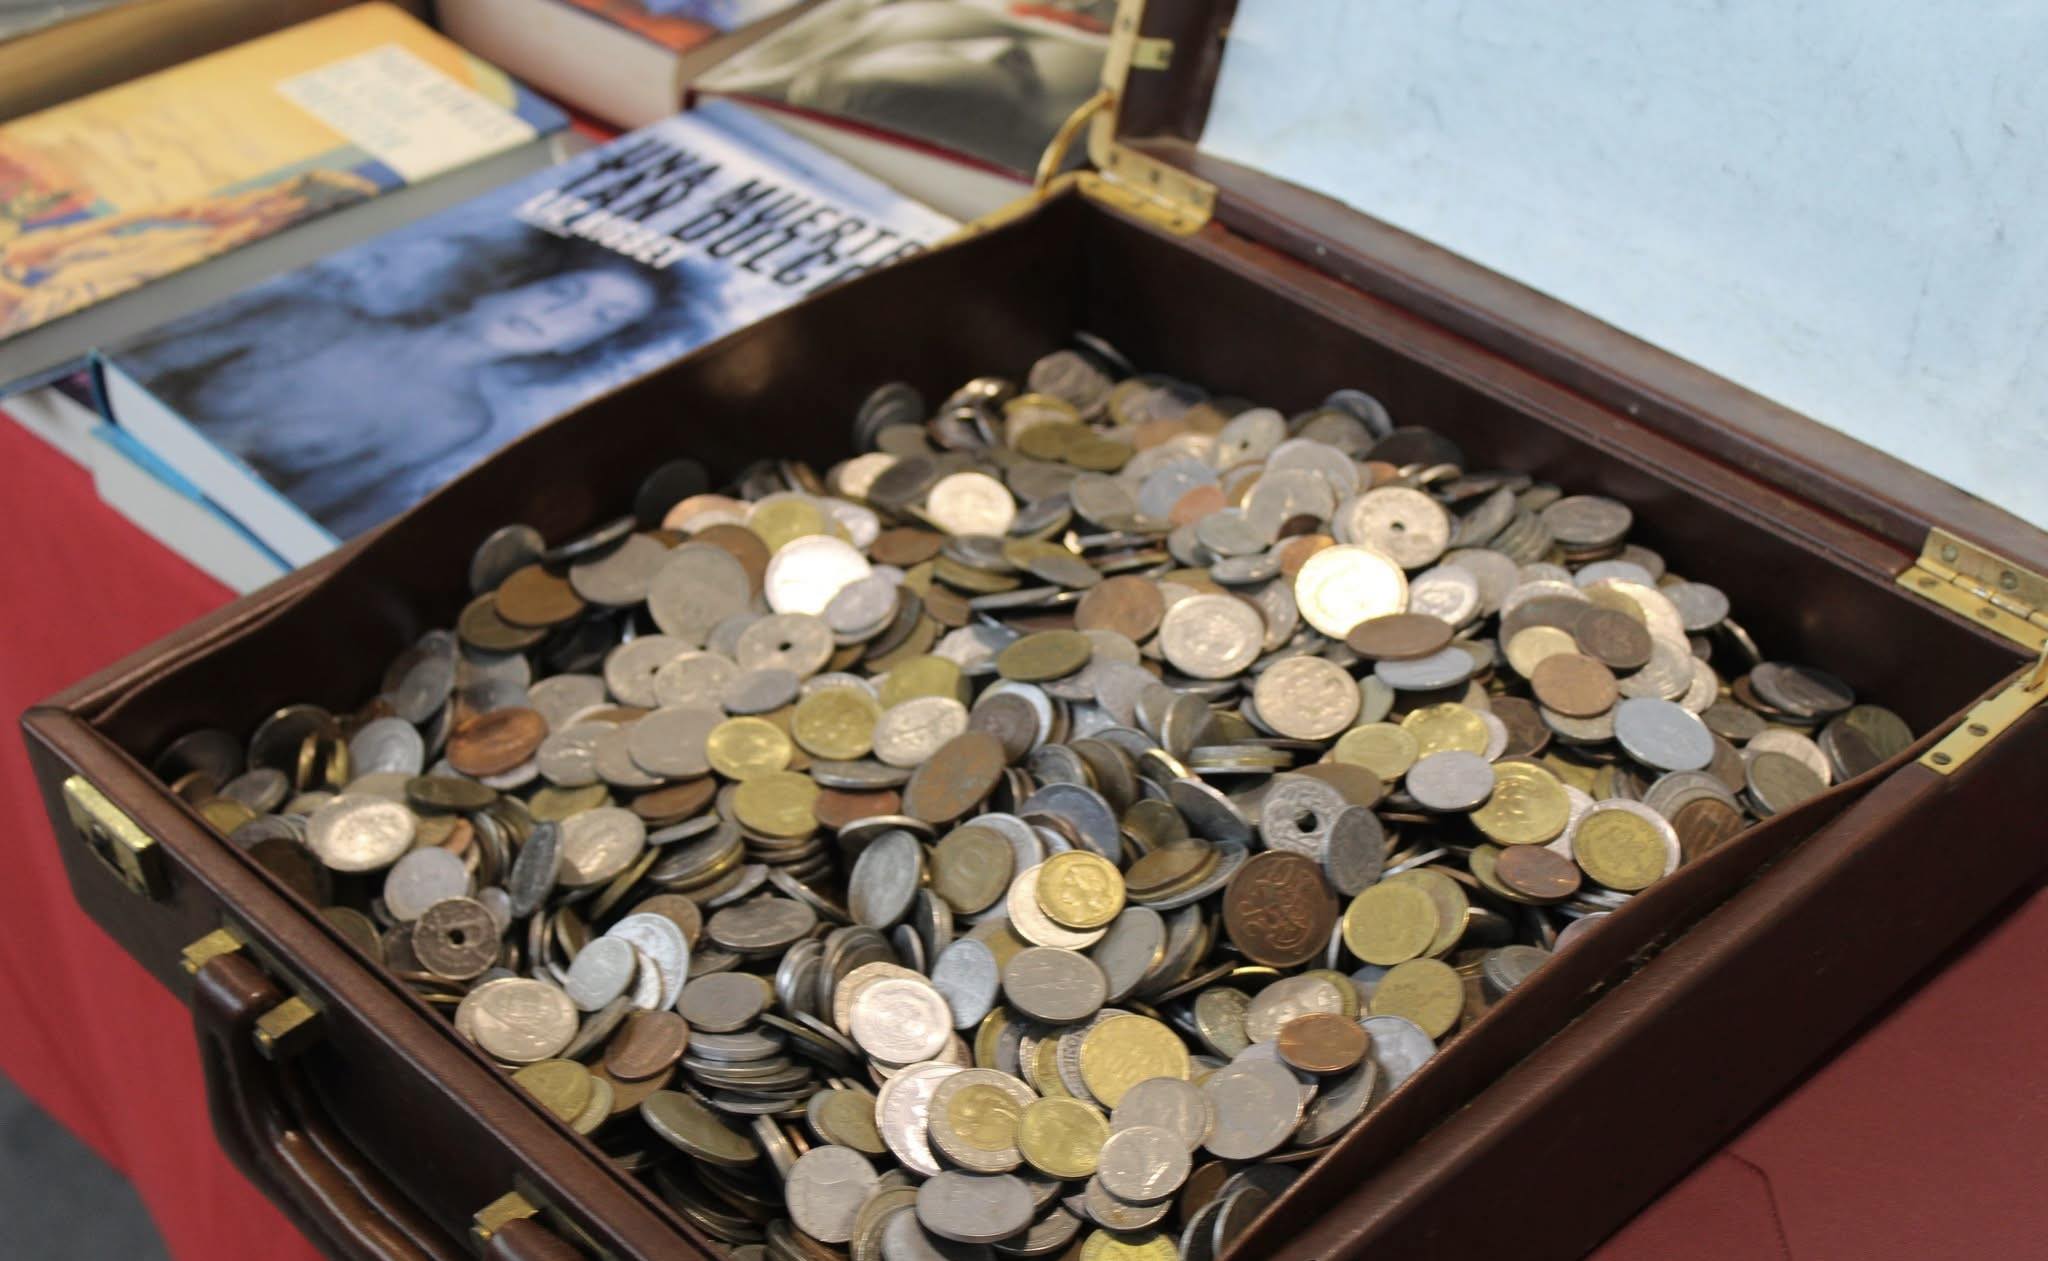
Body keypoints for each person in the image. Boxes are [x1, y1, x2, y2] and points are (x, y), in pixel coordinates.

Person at [124, 234, 705, 539]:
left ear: (579, 345)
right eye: (564, 291)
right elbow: (136, 370)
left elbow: (321, 517)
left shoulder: (455, 422)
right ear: (513, 282)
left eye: (600, 318)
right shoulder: (310, 315)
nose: (562, 316)